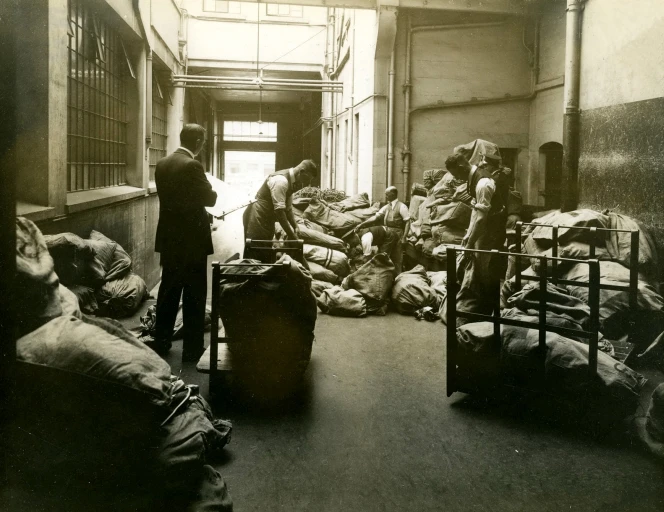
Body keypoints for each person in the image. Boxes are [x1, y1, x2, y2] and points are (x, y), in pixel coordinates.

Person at [153, 123, 217, 362]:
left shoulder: (162, 163)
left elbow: (178, 200)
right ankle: (191, 350)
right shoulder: (192, 165)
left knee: (168, 292)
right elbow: (209, 198)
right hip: (192, 242)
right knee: (194, 294)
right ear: (199, 142)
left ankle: (161, 342)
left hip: (169, 239)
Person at [444, 151, 510, 321]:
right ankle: (480, 312)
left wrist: (470, 243)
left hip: (492, 232)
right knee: (479, 271)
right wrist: (468, 234)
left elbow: (481, 219)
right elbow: (476, 211)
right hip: (484, 230)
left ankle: (490, 317)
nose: (454, 177)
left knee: (488, 273)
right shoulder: (472, 179)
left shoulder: (483, 183)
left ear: (460, 166)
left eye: (454, 173)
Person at [242, 159, 317, 261]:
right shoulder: (281, 181)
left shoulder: (291, 182)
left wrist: (295, 226)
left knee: (266, 247)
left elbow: (288, 209)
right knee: (256, 248)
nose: (307, 184)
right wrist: (292, 236)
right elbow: (280, 212)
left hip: (267, 217)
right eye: (307, 179)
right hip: (257, 216)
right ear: (302, 172)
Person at [354, 186, 410, 274]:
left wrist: (404, 237)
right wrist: (362, 224)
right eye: (385, 194)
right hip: (387, 233)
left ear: (394, 194)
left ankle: (398, 277)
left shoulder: (402, 207)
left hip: (398, 233)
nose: (386, 196)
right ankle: (385, 276)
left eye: (387, 194)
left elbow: (407, 222)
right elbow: (376, 217)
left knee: (397, 257)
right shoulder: (387, 207)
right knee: (384, 255)